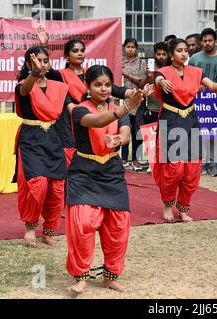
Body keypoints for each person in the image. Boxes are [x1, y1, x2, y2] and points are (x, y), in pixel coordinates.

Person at [65, 65, 144, 294]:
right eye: (97, 84)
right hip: (84, 172)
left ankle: (111, 276)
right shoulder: (79, 110)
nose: (103, 88)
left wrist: (120, 139)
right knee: (82, 225)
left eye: (107, 84)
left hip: (111, 172)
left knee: (118, 227)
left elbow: (126, 132)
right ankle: (81, 276)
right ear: (88, 87)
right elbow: (98, 121)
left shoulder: (118, 108)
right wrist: (126, 107)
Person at [37, 27, 151, 167]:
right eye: (75, 51)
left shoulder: (91, 74)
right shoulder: (61, 75)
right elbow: (46, 71)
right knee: (72, 158)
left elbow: (115, 90)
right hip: (71, 120)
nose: (80, 53)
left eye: (82, 51)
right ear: (66, 56)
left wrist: (137, 93)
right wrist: (44, 45)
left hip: (96, 118)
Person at [153, 38, 217, 222]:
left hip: (190, 120)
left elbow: (213, 86)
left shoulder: (196, 72)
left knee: (191, 168)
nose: (183, 53)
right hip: (171, 119)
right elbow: (158, 79)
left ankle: (182, 208)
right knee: (173, 168)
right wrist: (161, 82)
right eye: (179, 50)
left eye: (185, 50)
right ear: (171, 54)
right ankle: (167, 204)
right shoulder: (163, 72)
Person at [14, 46, 73, 248]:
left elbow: (73, 110)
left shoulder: (58, 87)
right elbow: (25, 89)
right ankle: (30, 227)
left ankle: (49, 231)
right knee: (37, 185)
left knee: (56, 189)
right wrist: (34, 73)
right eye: (38, 61)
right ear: (29, 64)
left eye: (45, 60)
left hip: (53, 139)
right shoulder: (24, 85)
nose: (42, 64)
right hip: (31, 140)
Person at [188, 28, 217, 177]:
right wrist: (197, 85)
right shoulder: (194, 59)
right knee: (199, 132)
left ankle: (213, 164)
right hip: (199, 101)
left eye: (210, 40)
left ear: (215, 41)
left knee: (215, 133)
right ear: (201, 42)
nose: (207, 43)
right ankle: (201, 164)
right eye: (205, 41)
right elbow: (189, 78)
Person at [122, 38, 149, 172]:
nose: (130, 49)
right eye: (128, 47)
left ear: (136, 48)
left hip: (138, 101)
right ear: (124, 48)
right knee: (125, 129)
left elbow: (142, 83)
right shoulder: (120, 61)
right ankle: (124, 159)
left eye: (133, 47)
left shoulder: (141, 63)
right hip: (123, 102)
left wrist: (126, 74)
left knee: (137, 131)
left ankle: (136, 159)